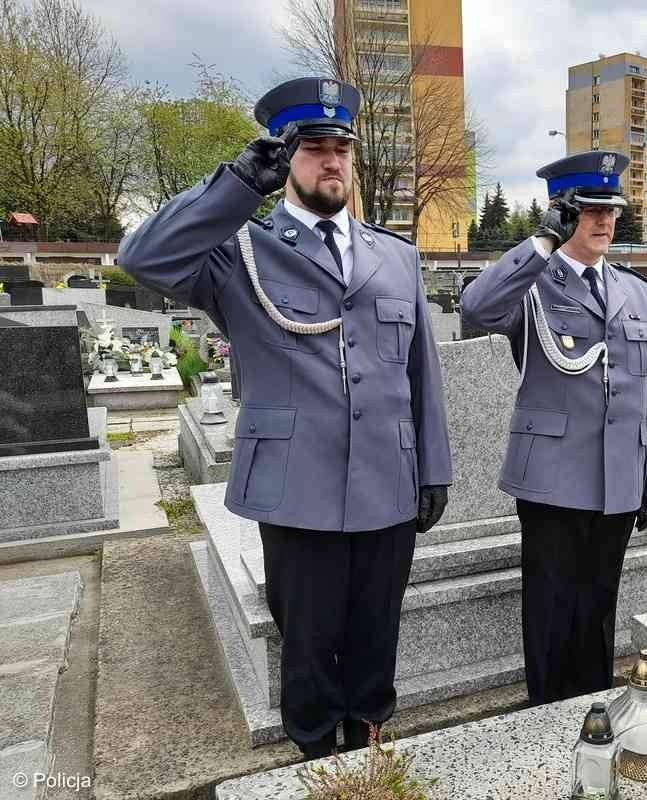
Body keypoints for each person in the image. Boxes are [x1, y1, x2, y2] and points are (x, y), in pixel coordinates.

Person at [119, 77, 452, 758]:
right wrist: (240, 184)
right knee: (306, 653)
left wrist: (434, 469)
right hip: (299, 492)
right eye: (313, 147)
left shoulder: (396, 255)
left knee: (376, 642)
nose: (332, 161)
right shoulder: (239, 250)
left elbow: (421, 372)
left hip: (389, 487)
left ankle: (367, 757)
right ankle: (313, 766)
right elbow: (142, 259)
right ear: (287, 157)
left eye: (341, 147)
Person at [461, 151, 647, 705]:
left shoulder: (635, 291)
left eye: (611, 210)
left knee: (600, 604)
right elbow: (476, 309)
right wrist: (538, 246)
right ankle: (547, 718)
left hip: (617, 479)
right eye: (588, 211)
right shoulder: (533, 282)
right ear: (562, 213)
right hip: (553, 480)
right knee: (553, 606)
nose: (604, 221)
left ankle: (592, 709)